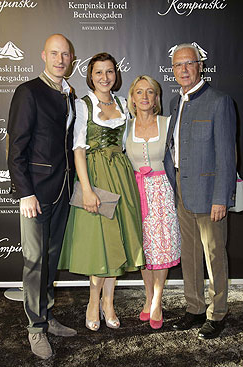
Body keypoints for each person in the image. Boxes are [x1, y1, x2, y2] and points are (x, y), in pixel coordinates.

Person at [58, 52, 145, 332]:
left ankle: (109, 302)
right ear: (90, 75)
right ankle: (93, 301)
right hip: (95, 178)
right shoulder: (83, 105)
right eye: (98, 72)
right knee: (100, 246)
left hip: (121, 177)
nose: (105, 77)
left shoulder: (123, 103)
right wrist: (86, 189)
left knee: (116, 243)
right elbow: (78, 149)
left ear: (115, 75)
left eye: (109, 72)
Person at [7, 34, 77, 359]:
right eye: (54, 53)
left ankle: (47, 316)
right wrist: (25, 194)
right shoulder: (28, 92)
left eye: (65, 54)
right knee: (34, 263)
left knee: (49, 261)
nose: (60, 59)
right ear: (43, 56)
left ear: (71, 60)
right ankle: (35, 329)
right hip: (35, 194)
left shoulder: (68, 95)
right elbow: (16, 148)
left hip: (62, 191)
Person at [164, 43, 236, 339]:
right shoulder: (173, 102)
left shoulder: (219, 101)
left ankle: (217, 314)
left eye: (189, 63)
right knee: (190, 254)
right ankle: (194, 308)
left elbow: (227, 155)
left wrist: (221, 197)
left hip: (209, 193)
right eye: (178, 65)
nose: (183, 69)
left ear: (200, 66)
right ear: (173, 70)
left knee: (214, 255)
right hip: (181, 187)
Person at [125, 75, 181, 330]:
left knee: (162, 249)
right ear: (132, 98)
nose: (145, 96)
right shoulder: (125, 127)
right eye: (139, 92)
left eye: (150, 92)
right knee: (145, 250)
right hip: (136, 193)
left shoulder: (168, 123)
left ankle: (157, 300)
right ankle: (148, 298)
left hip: (164, 193)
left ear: (156, 98)